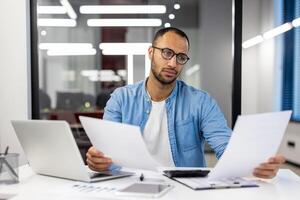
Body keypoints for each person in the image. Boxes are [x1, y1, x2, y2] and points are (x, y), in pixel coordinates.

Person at [86, 27, 285, 179]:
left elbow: (226, 148)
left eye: (181, 57)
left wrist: (255, 165)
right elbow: (106, 154)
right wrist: (98, 161)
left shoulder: (201, 102)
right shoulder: (121, 99)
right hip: (131, 184)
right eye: (166, 53)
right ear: (150, 53)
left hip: (184, 188)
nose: (173, 63)